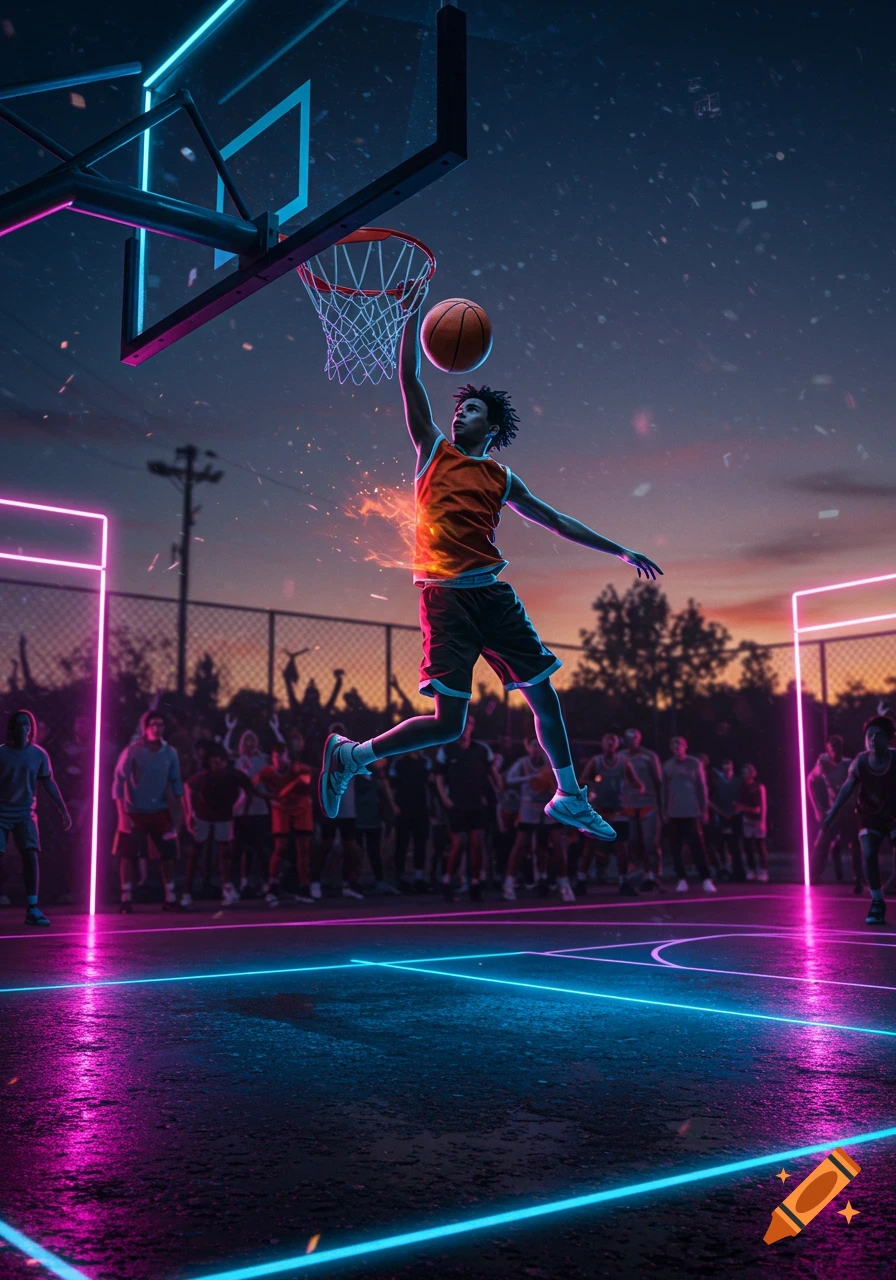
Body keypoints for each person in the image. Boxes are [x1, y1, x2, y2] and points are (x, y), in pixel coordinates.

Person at [318, 289, 663, 848]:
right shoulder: (432, 448)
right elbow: (409, 379)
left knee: (544, 694)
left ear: (492, 427)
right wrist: (408, 315)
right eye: (458, 407)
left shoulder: (502, 478)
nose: (460, 412)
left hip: (493, 597)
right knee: (449, 725)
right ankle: (351, 756)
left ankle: (569, 795)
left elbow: (556, 519)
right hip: (446, 599)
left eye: (472, 409)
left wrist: (619, 549)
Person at [822, 714, 896, 926]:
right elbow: (846, 789)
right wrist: (832, 813)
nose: (872, 740)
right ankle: (877, 902)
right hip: (869, 814)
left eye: (878, 736)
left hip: (893, 814)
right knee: (869, 852)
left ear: (889, 738)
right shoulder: (860, 762)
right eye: (868, 736)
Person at [0, 710, 72, 926]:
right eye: (19, 723)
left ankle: (32, 907)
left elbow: (48, 782)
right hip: (0, 813)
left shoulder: (38, 755)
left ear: (31, 729)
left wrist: (63, 810)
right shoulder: (2, 754)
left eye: (27, 724)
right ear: (11, 728)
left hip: (24, 814)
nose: (23, 727)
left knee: (30, 854)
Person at [112, 710, 183, 913]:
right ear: (145, 728)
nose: (157, 728)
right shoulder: (133, 751)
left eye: (160, 725)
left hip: (160, 811)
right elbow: (118, 780)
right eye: (153, 725)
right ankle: (126, 899)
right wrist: (122, 815)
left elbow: (176, 783)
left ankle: (171, 898)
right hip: (134, 811)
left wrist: (180, 813)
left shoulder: (170, 753)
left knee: (168, 853)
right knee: (128, 854)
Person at [434, 714, 502, 901]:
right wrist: (446, 799)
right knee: (459, 842)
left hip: (477, 804)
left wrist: (497, 789)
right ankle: (447, 881)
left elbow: (492, 774)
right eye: (463, 723)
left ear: (473, 727)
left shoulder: (482, 750)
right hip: (456, 804)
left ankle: (475, 883)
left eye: (469, 723)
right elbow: (439, 779)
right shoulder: (446, 750)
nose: (466, 727)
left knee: (476, 843)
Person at [503, 737, 575, 901]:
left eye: (539, 747)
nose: (536, 750)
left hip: (549, 807)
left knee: (557, 844)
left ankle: (563, 882)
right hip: (529, 807)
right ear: (529, 749)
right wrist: (529, 778)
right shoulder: (523, 763)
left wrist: (554, 785)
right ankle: (509, 882)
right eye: (533, 747)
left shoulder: (551, 764)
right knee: (520, 844)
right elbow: (509, 779)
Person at [183, 743, 255, 907]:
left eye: (218, 762)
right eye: (212, 762)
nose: (215, 765)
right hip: (203, 816)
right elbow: (187, 787)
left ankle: (227, 888)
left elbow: (249, 788)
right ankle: (187, 892)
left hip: (223, 817)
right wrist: (189, 813)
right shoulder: (204, 776)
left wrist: (242, 809)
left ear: (224, 761)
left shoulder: (233, 775)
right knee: (196, 853)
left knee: (224, 853)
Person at [578, 733, 645, 895]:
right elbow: (582, 781)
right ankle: (580, 881)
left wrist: (629, 795)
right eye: (606, 741)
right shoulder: (596, 761)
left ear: (617, 745)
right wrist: (592, 788)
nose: (609, 743)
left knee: (621, 846)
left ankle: (623, 881)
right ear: (602, 744)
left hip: (617, 809)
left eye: (612, 741)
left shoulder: (623, 763)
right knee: (590, 846)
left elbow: (639, 786)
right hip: (598, 810)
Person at [253, 744, 316, 904]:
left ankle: (304, 886)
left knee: (304, 848)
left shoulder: (298, 769)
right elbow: (252, 784)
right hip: (280, 809)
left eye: (281, 757)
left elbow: (306, 779)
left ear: (287, 756)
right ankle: (272, 885)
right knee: (280, 847)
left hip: (302, 808)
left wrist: (284, 791)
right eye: (275, 757)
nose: (278, 761)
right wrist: (269, 796)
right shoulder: (267, 772)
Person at [662, 736, 716, 894]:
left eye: (679, 745)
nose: (676, 748)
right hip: (674, 812)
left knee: (698, 846)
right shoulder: (667, 766)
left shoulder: (694, 764)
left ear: (685, 746)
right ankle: (681, 879)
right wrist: (664, 810)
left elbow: (702, 788)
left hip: (692, 811)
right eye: (673, 745)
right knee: (675, 848)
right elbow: (664, 790)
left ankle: (706, 878)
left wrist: (704, 809)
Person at [807, 735, 861, 892]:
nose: (837, 752)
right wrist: (817, 809)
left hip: (849, 808)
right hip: (834, 810)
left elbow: (858, 786)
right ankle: (813, 874)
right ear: (828, 750)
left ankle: (858, 877)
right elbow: (810, 780)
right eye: (833, 749)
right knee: (822, 840)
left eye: (839, 748)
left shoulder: (848, 764)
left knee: (855, 843)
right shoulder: (823, 762)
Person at [620, 728, 664, 889]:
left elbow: (659, 783)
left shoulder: (650, 756)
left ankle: (653, 875)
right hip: (628, 805)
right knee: (631, 842)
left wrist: (662, 807)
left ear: (639, 739)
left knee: (650, 842)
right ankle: (635, 874)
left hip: (648, 804)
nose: (632, 741)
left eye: (635, 738)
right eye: (629, 738)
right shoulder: (621, 757)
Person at [231, 729, 272, 897]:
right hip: (242, 810)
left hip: (259, 809)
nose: (249, 744)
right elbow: (240, 782)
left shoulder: (264, 760)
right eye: (245, 740)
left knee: (261, 847)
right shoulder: (238, 761)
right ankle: (244, 882)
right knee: (244, 848)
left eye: (252, 740)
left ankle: (266, 882)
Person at [390, 750, 432, 892]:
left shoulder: (426, 762)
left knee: (420, 843)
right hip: (403, 809)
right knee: (401, 844)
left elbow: (431, 784)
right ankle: (400, 878)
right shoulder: (398, 762)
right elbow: (391, 784)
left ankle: (419, 878)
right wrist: (393, 806)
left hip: (421, 808)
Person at [709, 759, 744, 881]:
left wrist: (738, 810)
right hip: (722, 817)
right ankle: (725, 869)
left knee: (735, 845)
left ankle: (738, 871)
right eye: (724, 768)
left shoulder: (738, 781)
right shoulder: (717, 783)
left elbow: (743, 798)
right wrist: (721, 813)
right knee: (721, 845)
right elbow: (711, 801)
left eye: (728, 768)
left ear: (732, 768)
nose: (726, 770)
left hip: (736, 817)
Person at [735, 763, 768, 882]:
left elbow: (762, 806)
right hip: (747, 819)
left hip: (757, 819)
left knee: (760, 846)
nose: (744, 774)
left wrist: (763, 821)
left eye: (746, 772)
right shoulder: (742, 787)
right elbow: (739, 803)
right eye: (743, 772)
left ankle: (763, 871)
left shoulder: (759, 786)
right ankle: (752, 870)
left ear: (752, 773)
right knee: (748, 846)